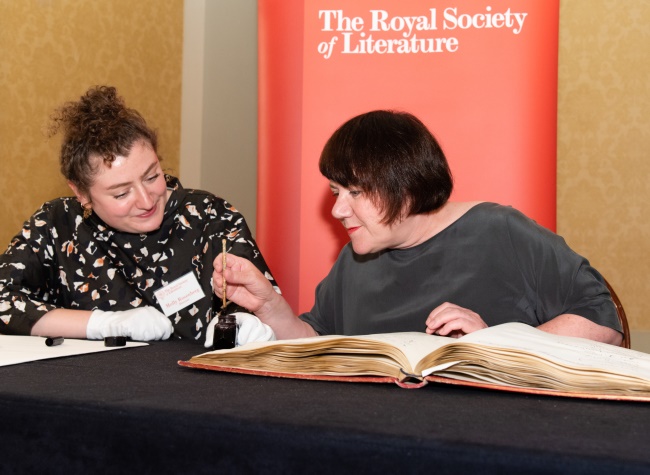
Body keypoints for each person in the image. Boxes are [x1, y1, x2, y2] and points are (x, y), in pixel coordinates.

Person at [212, 110, 623, 345]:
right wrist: (269, 306)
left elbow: (602, 321)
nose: (338, 210)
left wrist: (498, 343)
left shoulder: (500, 231)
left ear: (406, 189)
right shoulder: (357, 257)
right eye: (336, 191)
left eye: (354, 192)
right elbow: (316, 342)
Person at [0, 85, 276, 346]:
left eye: (152, 176)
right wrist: (101, 324)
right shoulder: (57, 225)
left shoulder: (210, 217)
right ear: (81, 193)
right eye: (121, 194)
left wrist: (247, 323)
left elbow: (267, 307)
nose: (145, 201)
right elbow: (4, 300)